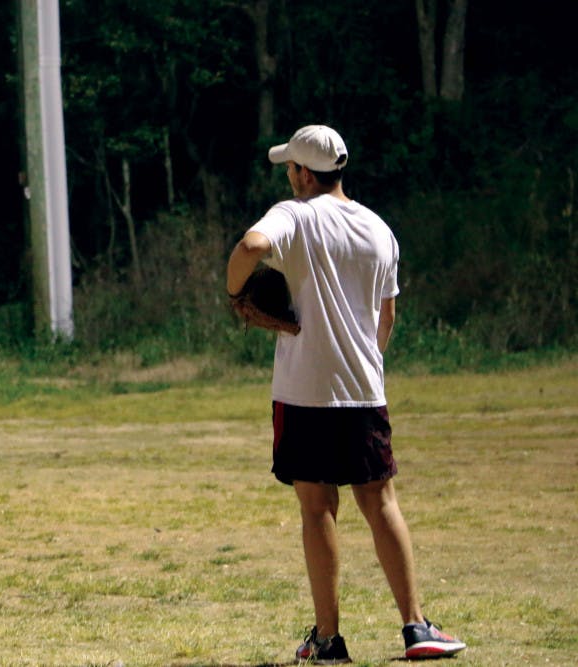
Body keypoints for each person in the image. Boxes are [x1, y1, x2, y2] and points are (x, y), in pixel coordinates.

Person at [226, 125, 467, 663]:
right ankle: (416, 627)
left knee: (318, 509)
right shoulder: (379, 229)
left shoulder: (294, 215)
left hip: (302, 390)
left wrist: (234, 291)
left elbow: (250, 245)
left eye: (291, 168)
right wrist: (365, 362)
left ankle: (329, 640)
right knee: (380, 503)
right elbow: (386, 316)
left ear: (305, 174)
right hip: (362, 388)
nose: (289, 176)